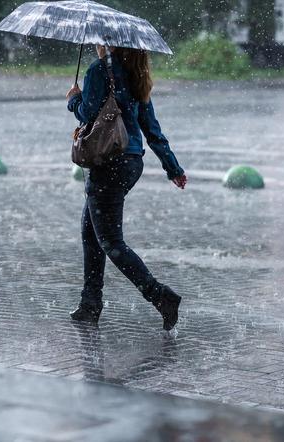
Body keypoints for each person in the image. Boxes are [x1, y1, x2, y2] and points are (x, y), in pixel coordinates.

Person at [66, 45, 187, 331]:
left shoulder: (99, 70)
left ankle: (161, 297)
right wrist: (173, 168)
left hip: (108, 161)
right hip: (132, 162)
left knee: (110, 241)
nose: (97, 43)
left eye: (100, 39)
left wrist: (73, 100)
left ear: (110, 43)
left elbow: (87, 113)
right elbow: (151, 128)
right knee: (90, 232)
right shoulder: (136, 73)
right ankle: (90, 304)